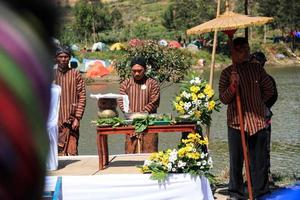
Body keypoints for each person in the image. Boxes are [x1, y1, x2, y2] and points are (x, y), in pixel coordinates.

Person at [219, 37, 275, 199]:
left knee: (259, 161)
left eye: (247, 48)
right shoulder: (227, 73)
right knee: (236, 162)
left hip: (257, 122)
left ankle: (260, 192)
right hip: (236, 123)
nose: (246, 52)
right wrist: (233, 86)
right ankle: (236, 193)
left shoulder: (257, 70)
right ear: (234, 52)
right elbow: (223, 98)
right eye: (241, 49)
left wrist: (257, 103)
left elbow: (269, 90)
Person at [119, 56, 160, 153]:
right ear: (131, 70)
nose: (137, 73)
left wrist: (141, 114)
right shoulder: (125, 84)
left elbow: (155, 101)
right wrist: (130, 114)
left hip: (149, 123)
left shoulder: (152, 83)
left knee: (150, 152)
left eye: (139, 70)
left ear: (145, 70)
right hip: (131, 123)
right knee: (130, 152)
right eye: (134, 71)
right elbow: (121, 101)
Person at [250, 51, 278, 183]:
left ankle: (266, 175)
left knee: (264, 147)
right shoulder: (246, 79)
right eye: (252, 63)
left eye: (257, 63)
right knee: (249, 148)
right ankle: (250, 177)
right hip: (248, 118)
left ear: (262, 64)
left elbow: (273, 97)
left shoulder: (268, 79)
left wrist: (262, 106)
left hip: (264, 116)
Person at [54, 46, 86, 156]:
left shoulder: (75, 74)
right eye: (61, 56)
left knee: (72, 152)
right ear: (56, 58)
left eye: (66, 57)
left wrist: (77, 118)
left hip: (72, 120)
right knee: (57, 152)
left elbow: (82, 97)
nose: (63, 59)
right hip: (55, 121)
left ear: (70, 58)